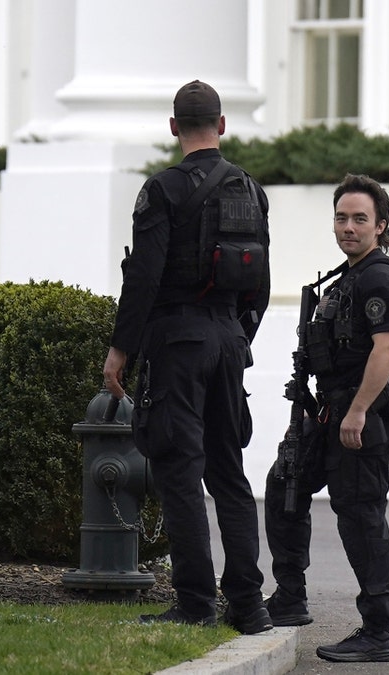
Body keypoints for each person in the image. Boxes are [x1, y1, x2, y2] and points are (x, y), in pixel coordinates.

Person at [102, 80, 273, 635]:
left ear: (173, 127)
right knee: (230, 473)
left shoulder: (161, 190)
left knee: (179, 470)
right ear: (221, 125)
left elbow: (145, 278)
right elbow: (260, 283)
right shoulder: (250, 188)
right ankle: (249, 604)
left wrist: (120, 349)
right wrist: (239, 335)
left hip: (178, 344)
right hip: (229, 341)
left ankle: (197, 602)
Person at [263, 174, 389, 663]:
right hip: (326, 412)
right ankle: (289, 597)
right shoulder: (346, 276)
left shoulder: (381, 278)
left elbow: (387, 347)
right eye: (342, 218)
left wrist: (359, 411)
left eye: (360, 219)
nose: (348, 227)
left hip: (358, 415)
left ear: (381, 226)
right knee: (284, 485)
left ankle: (377, 630)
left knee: (360, 516)